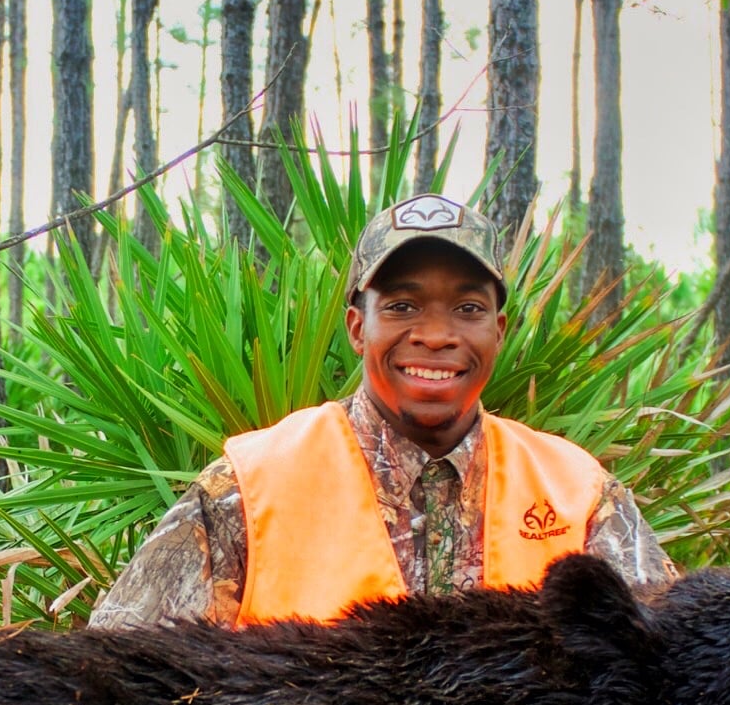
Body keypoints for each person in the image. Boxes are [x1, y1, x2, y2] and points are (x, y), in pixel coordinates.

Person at [92, 193, 671, 629]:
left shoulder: (578, 494)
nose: (437, 335)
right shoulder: (248, 487)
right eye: (401, 305)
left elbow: (674, 676)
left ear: (498, 332)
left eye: (468, 307)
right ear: (357, 328)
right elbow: (123, 673)